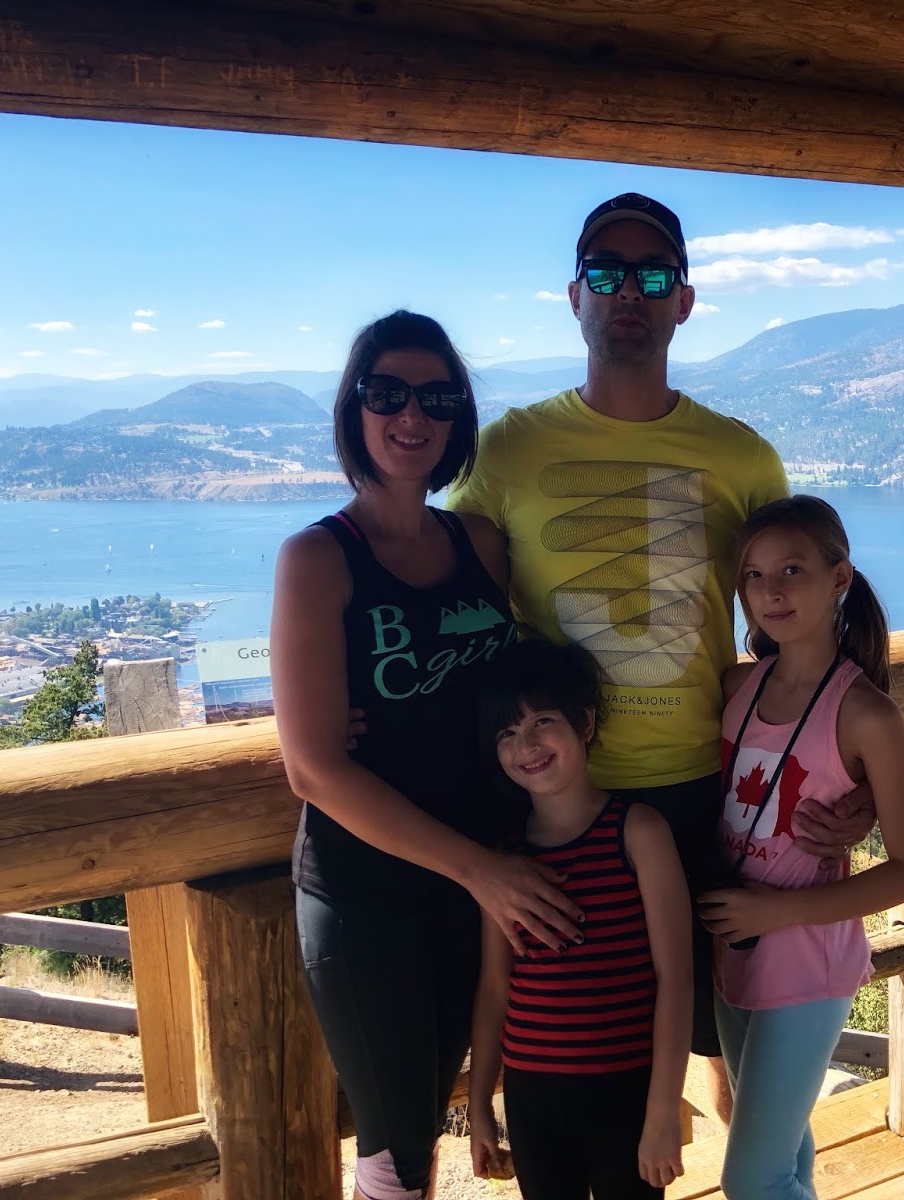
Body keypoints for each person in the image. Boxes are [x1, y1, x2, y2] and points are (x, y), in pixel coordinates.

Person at [447, 194, 877, 1105]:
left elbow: (802, 630)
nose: (628, 292)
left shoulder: (743, 458)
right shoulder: (506, 451)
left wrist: (864, 778)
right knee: (583, 1052)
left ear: (684, 300)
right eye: (606, 272)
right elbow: (444, 608)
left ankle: (752, 1167)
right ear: (574, 295)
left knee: (724, 1045)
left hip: (706, 792)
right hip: (558, 802)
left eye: (652, 275)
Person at [270, 311, 584, 1200]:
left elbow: (520, 682)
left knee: (432, 1112)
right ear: (355, 409)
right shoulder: (317, 558)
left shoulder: (478, 544)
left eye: (437, 399)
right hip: (369, 894)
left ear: (458, 419)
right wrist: (482, 872)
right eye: (388, 394)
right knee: (396, 1137)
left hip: (478, 884)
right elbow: (312, 768)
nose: (412, 415)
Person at [696, 495, 904, 1200]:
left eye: (792, 570)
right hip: (733, 951)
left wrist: (775, 913)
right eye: (754, 575)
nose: (771, 590)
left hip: (806, 965)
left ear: (839, 578)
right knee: (786, 1149)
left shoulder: (866, 714)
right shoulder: (738, 685)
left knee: (752, 1180)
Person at [468, 637, 693, 1200]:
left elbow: (676, 978)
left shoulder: (638, 831)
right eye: (506, 733)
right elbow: (495, 986)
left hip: (627, 1088)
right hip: (531, 1094)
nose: (526, 745)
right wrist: (479, 1103)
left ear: (585, 723)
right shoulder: (502, 860)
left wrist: (663, 1112)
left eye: (542, 721)